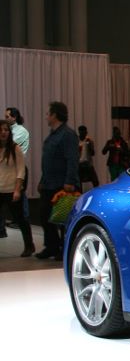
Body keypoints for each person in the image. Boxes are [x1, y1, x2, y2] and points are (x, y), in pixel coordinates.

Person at [36, 101, 79, 260]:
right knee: (45, 216)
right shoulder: (53, 134)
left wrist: (70, 181)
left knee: (62, 218)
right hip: (49, 183)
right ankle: (51, 246)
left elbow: (72, 159)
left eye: (48, 113)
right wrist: (42, 180)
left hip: (62, 184)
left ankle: (63, 248)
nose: (46, 117)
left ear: (54, 115)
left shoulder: (67, 135)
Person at [0, 120, 35, 256]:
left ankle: (29, 245)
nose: (3, 132)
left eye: (6, 130)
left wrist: (17, 190)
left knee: (20, 219)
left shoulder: (15, 149)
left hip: (12, 190)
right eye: (1, 130)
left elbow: (21, 171)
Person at [3, 107, 30, 232]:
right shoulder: (10, 130)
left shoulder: (21, 131)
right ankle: (17, 220)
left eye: (7, 116)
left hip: (18, 166)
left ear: (14, 117)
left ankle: (23, 219)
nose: (5, 119)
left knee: (20, 194)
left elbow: (10, 143)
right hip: (9, 167)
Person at [78, 125, 99, 191]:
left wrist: (89, 145)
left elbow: (93, 153)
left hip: (88, 164)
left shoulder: (89, 141)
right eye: (82, 133)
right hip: (79, 164)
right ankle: (80, 194)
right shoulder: (76, 141)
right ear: (79, 132)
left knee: (95, 181)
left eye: (85, 132)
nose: (84, 134)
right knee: (78, 182)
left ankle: (96, 193)